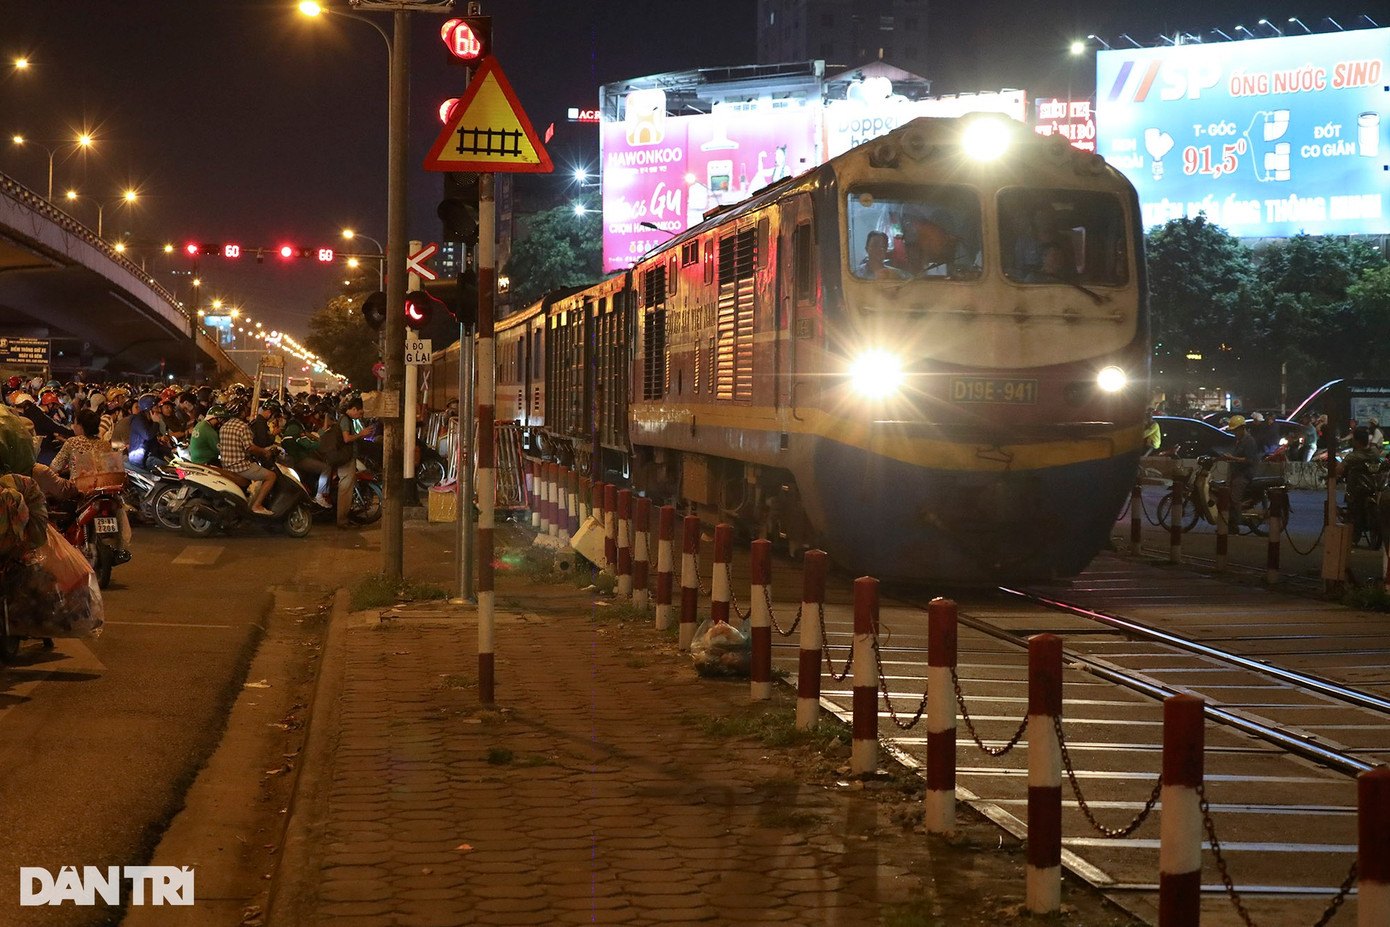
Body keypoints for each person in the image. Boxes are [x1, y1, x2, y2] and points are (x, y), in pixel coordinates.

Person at [218, 401, 277, 516]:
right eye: (245, 410)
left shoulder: (224, 427)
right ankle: (257, 505)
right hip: (241, 467)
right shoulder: (243, 427)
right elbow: (250, 448)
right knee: (271, 476)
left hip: (226, 465)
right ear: (241, 412)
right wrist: (264, 452)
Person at [1339, 426, 1383, 542]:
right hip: (1375, 487)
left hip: (1356, 490)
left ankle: (1355, 531)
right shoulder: (1375, 453)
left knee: (1352, 503)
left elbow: (1339, 470)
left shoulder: (1353, 457)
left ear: (1356, 441)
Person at [1219, 414, 1260, 511]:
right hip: (1236, 473)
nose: (1234, 432)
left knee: (1234, 498)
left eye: (1236, 430)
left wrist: (1233, 457)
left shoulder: (1249, 441)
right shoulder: (1239, 440)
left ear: (1242, 428)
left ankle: (1236, 521)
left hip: (1244, 475)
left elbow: (1249, 459)